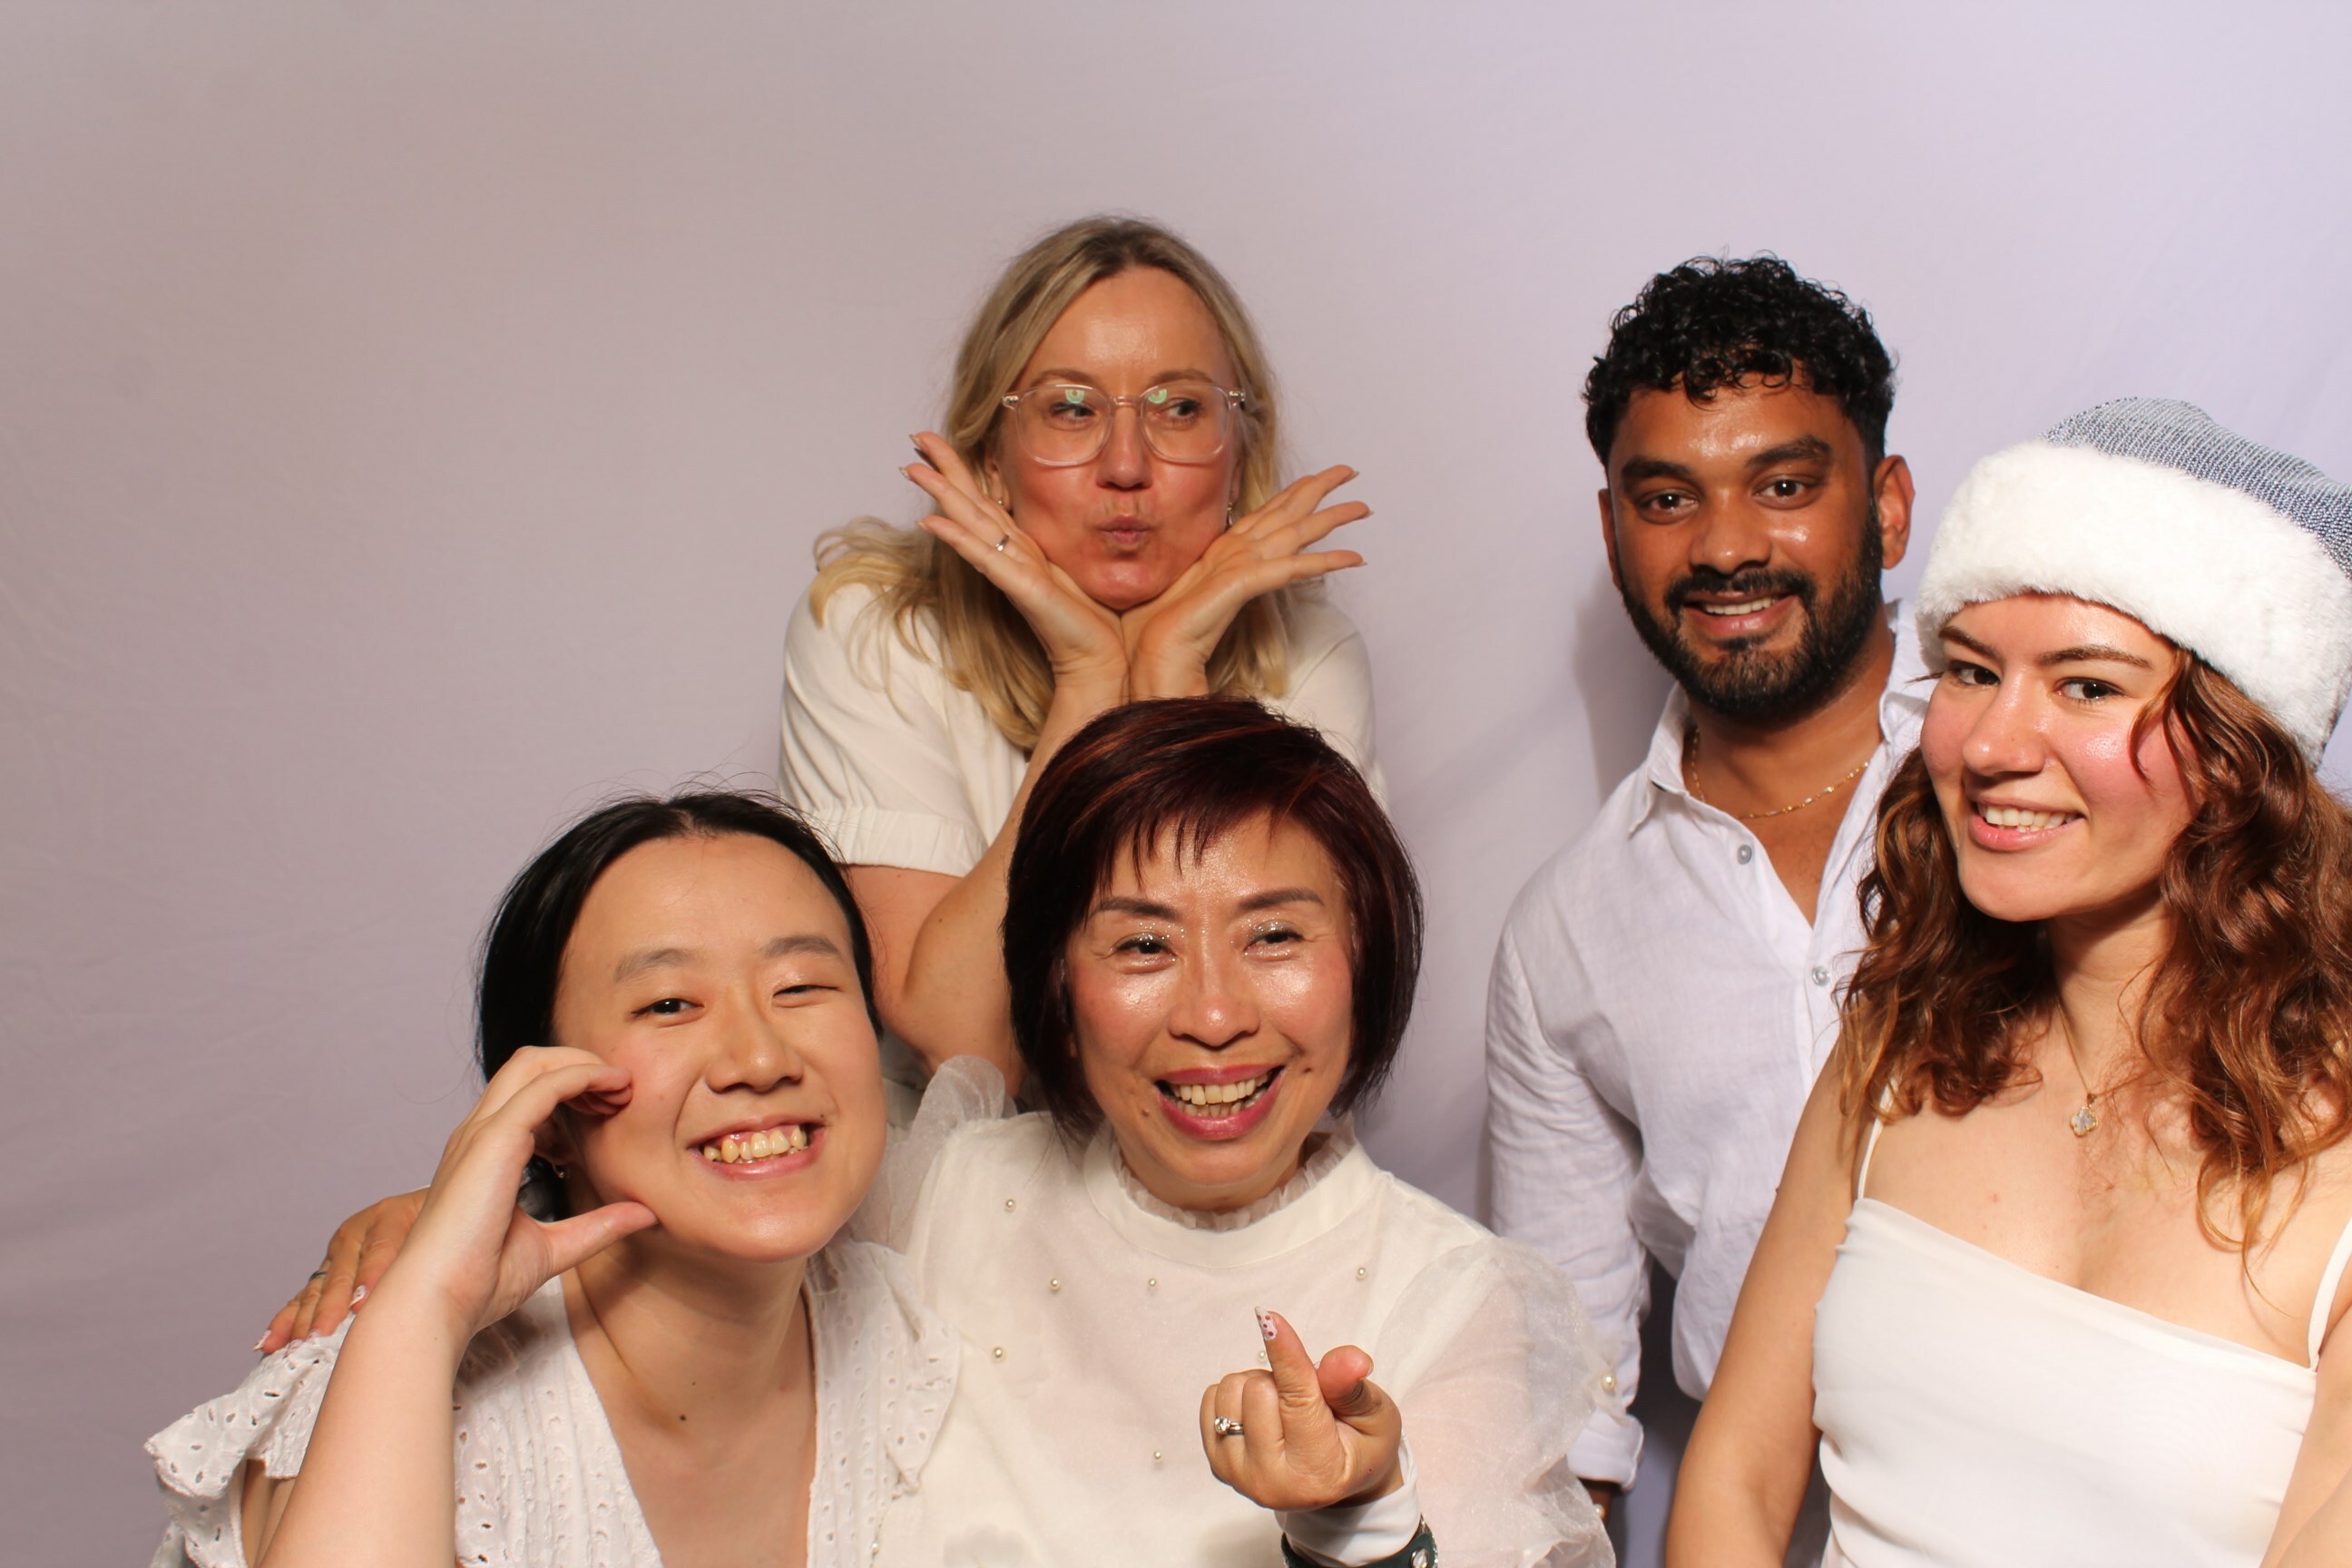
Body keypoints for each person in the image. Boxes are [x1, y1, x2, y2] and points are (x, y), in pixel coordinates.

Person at [266, 701, 1612, 1566]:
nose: (1214, 1015)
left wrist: (1361, 1525)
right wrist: (434, 1238)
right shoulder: (935, 1194)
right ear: (1054, 988)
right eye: (1141, 946)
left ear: (1367, 960)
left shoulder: (1460, 1299)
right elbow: (724, 1176)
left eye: (1276, 937)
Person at [1671, 399, 2352, 1567]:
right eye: (1972, 672)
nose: (1990, 745)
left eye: (2086, 687)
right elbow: (1736, 1476)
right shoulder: (1902, 1041)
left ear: (2242, 750)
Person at [150, 793, 956, 1567]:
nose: (761, 1058)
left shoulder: (927, 1327)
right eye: (669, 1004)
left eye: (801, 987)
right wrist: (427, 1305)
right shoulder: (394, 1389)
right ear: (548, 1109)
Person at [1481, 256, 1916, 1521]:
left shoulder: (2041, 788)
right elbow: (1569, 1397)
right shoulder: (1568, 930)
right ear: (1612, 530)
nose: (1726, 547)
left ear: (1887, 508)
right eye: (1668, 499)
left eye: (1784, 486)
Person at [782, 215, 1381, 1100]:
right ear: (992, 459)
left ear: (1239, 451)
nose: (1126, 465)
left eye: (1180, 408)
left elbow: (1277, 1037)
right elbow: (967, 1047)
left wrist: (1169, 680)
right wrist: (1090, 686)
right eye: (1070, 408)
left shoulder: (1309, 655)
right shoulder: (873, 631)